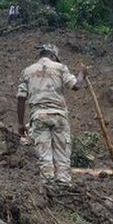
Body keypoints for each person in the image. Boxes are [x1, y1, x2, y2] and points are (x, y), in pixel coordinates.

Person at [16, 43, 86, 195]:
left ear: (41, 55)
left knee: (44, 153)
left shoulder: (27, 71)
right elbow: (76, 86)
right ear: (54, 56)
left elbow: (21, 98)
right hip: (59, 115)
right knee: (62, 151)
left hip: (39, 116)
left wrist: (21, 123)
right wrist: (82, 73)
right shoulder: (60, 68)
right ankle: (64, 185)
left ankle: (48, 187)